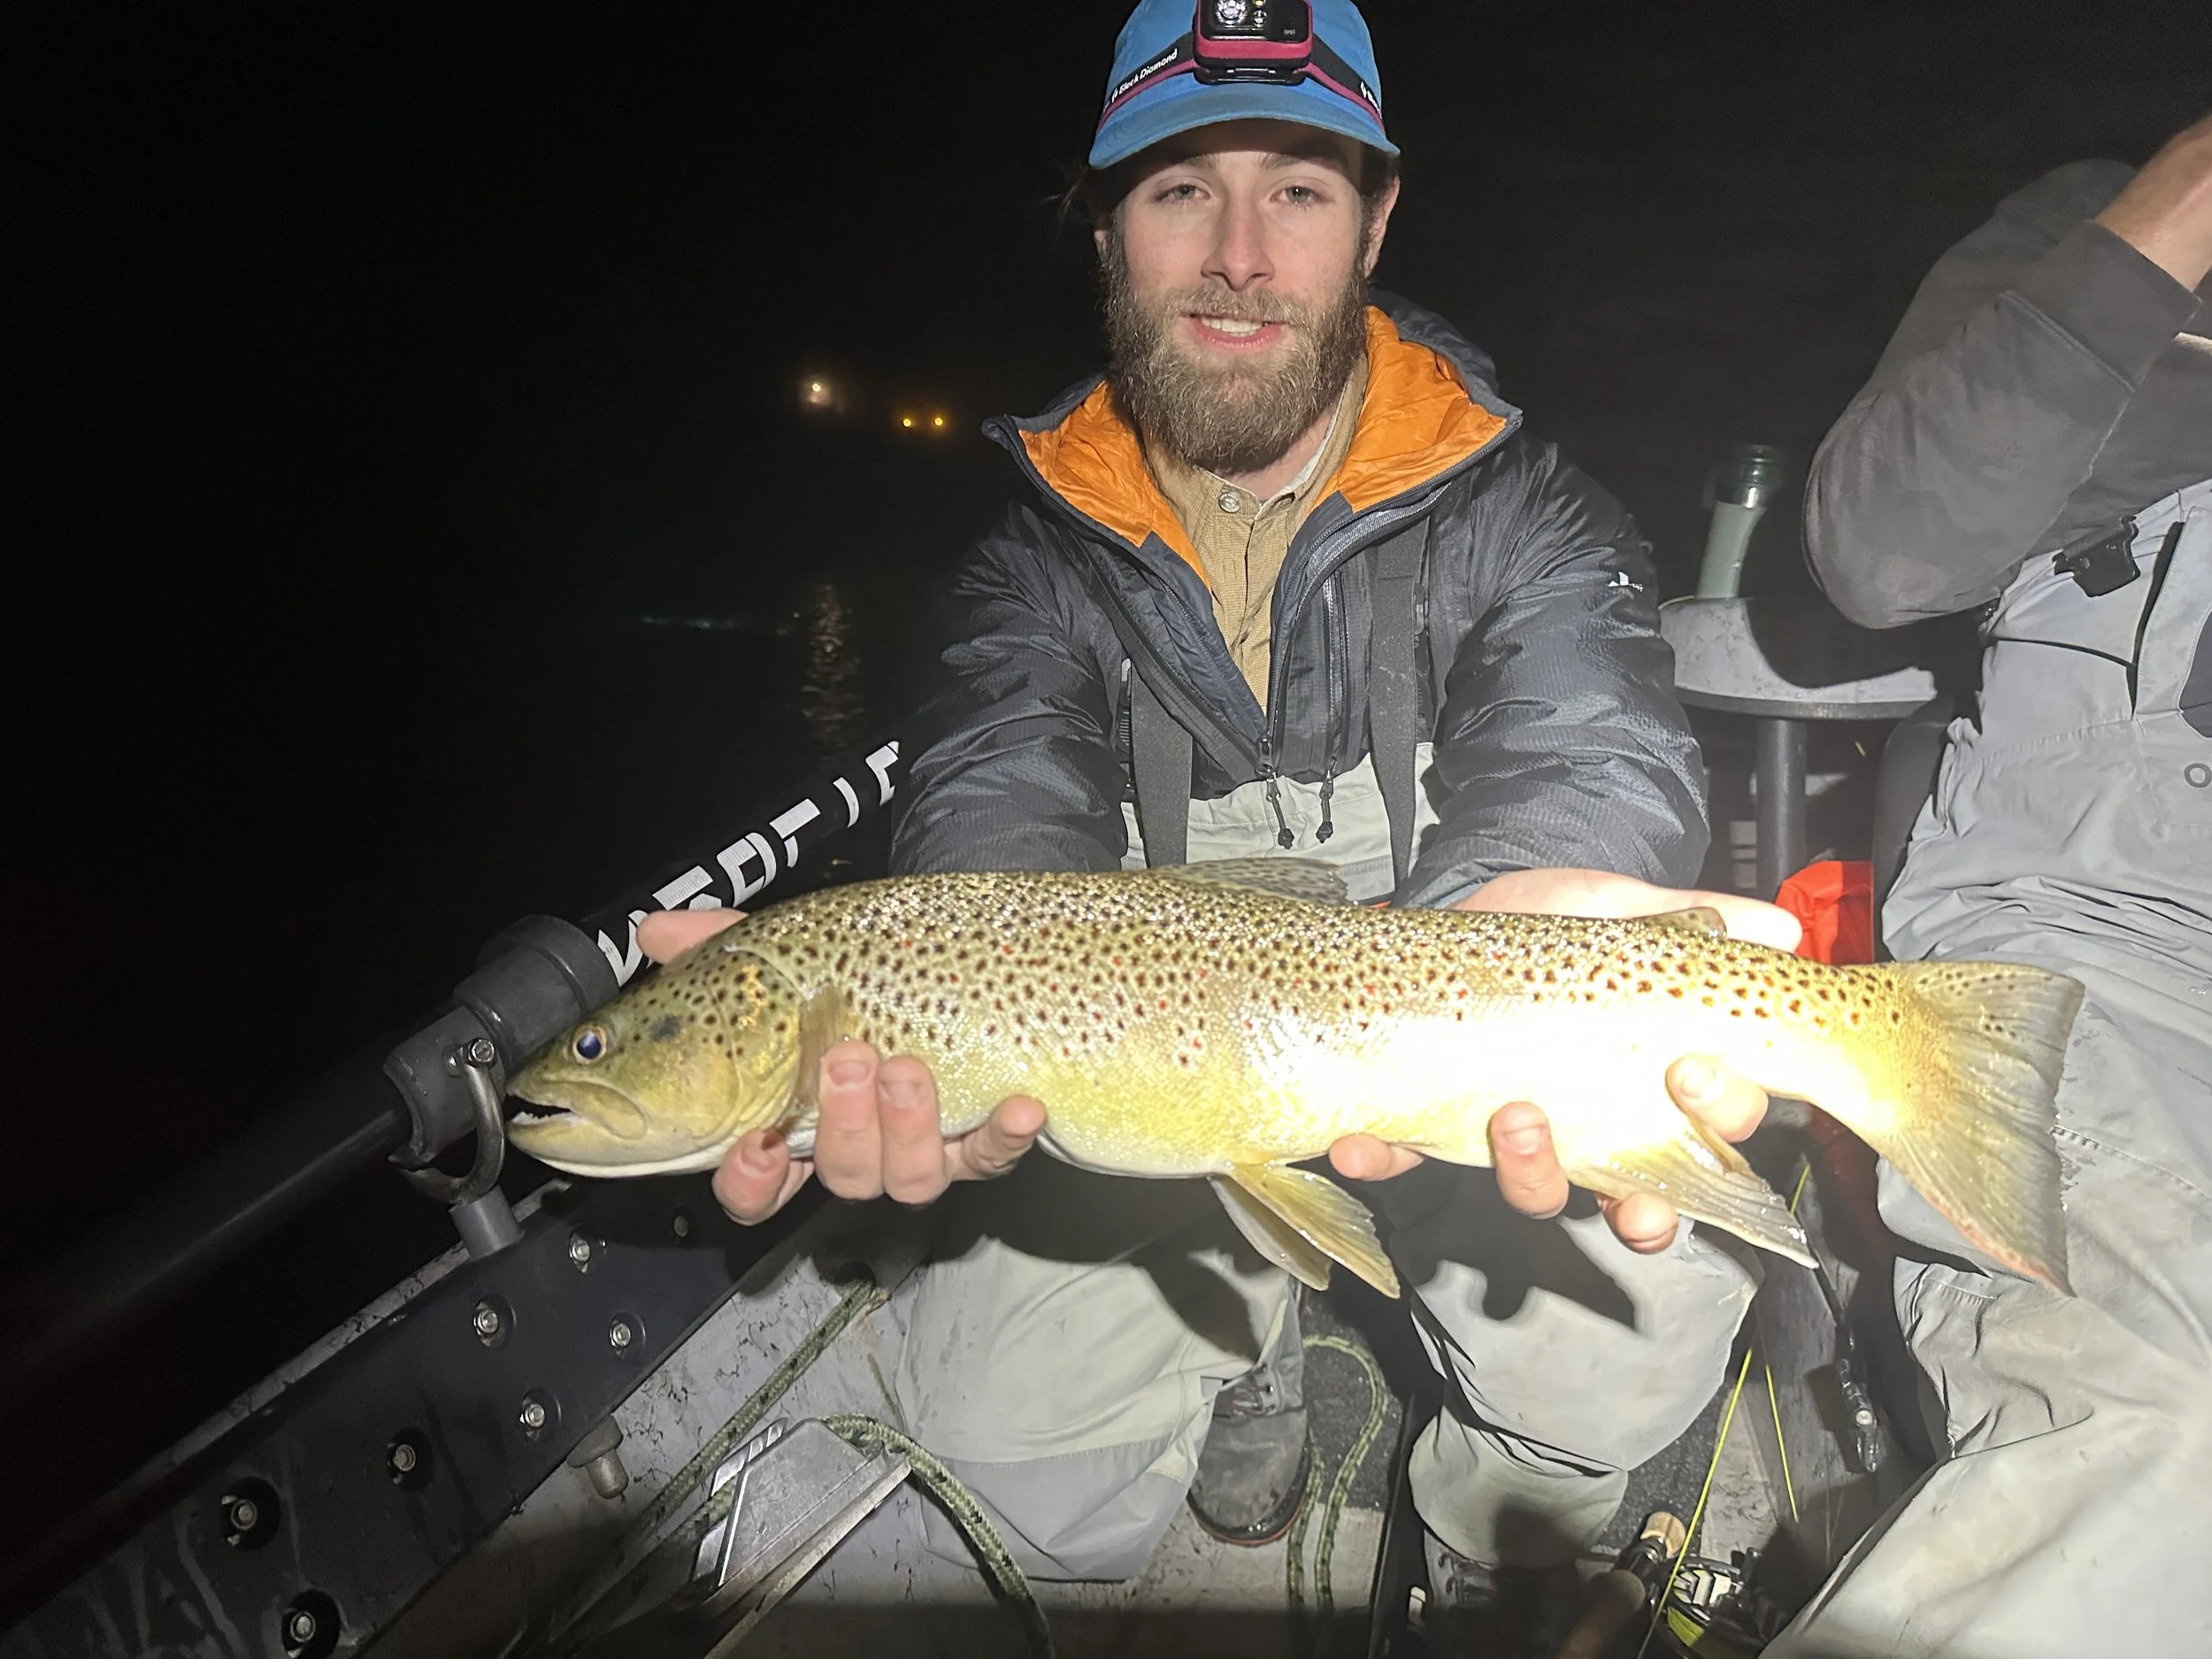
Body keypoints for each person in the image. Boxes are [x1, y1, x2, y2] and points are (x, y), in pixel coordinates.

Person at [647, 0, 1792, 1640]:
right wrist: (938, 1023)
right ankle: (1249, 1330)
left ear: (1376, 222)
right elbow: (997, 824)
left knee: (1630, 1340)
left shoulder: (1527, 505)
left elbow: (1589, 747)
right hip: (1151, 1071)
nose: (1241, 254)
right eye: (1184, 189)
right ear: (1105, 228)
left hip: (1456, 1041)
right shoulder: (1024, 571)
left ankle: (1481, 1530)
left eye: (1301, 190)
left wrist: (1527, 907)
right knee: (998, 1431)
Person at [1763, 114, 2212, 1655]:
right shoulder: (2101, 229)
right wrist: (2188, 200)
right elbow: (1879, 548)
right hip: (2112, 933)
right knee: (2186, 1419)